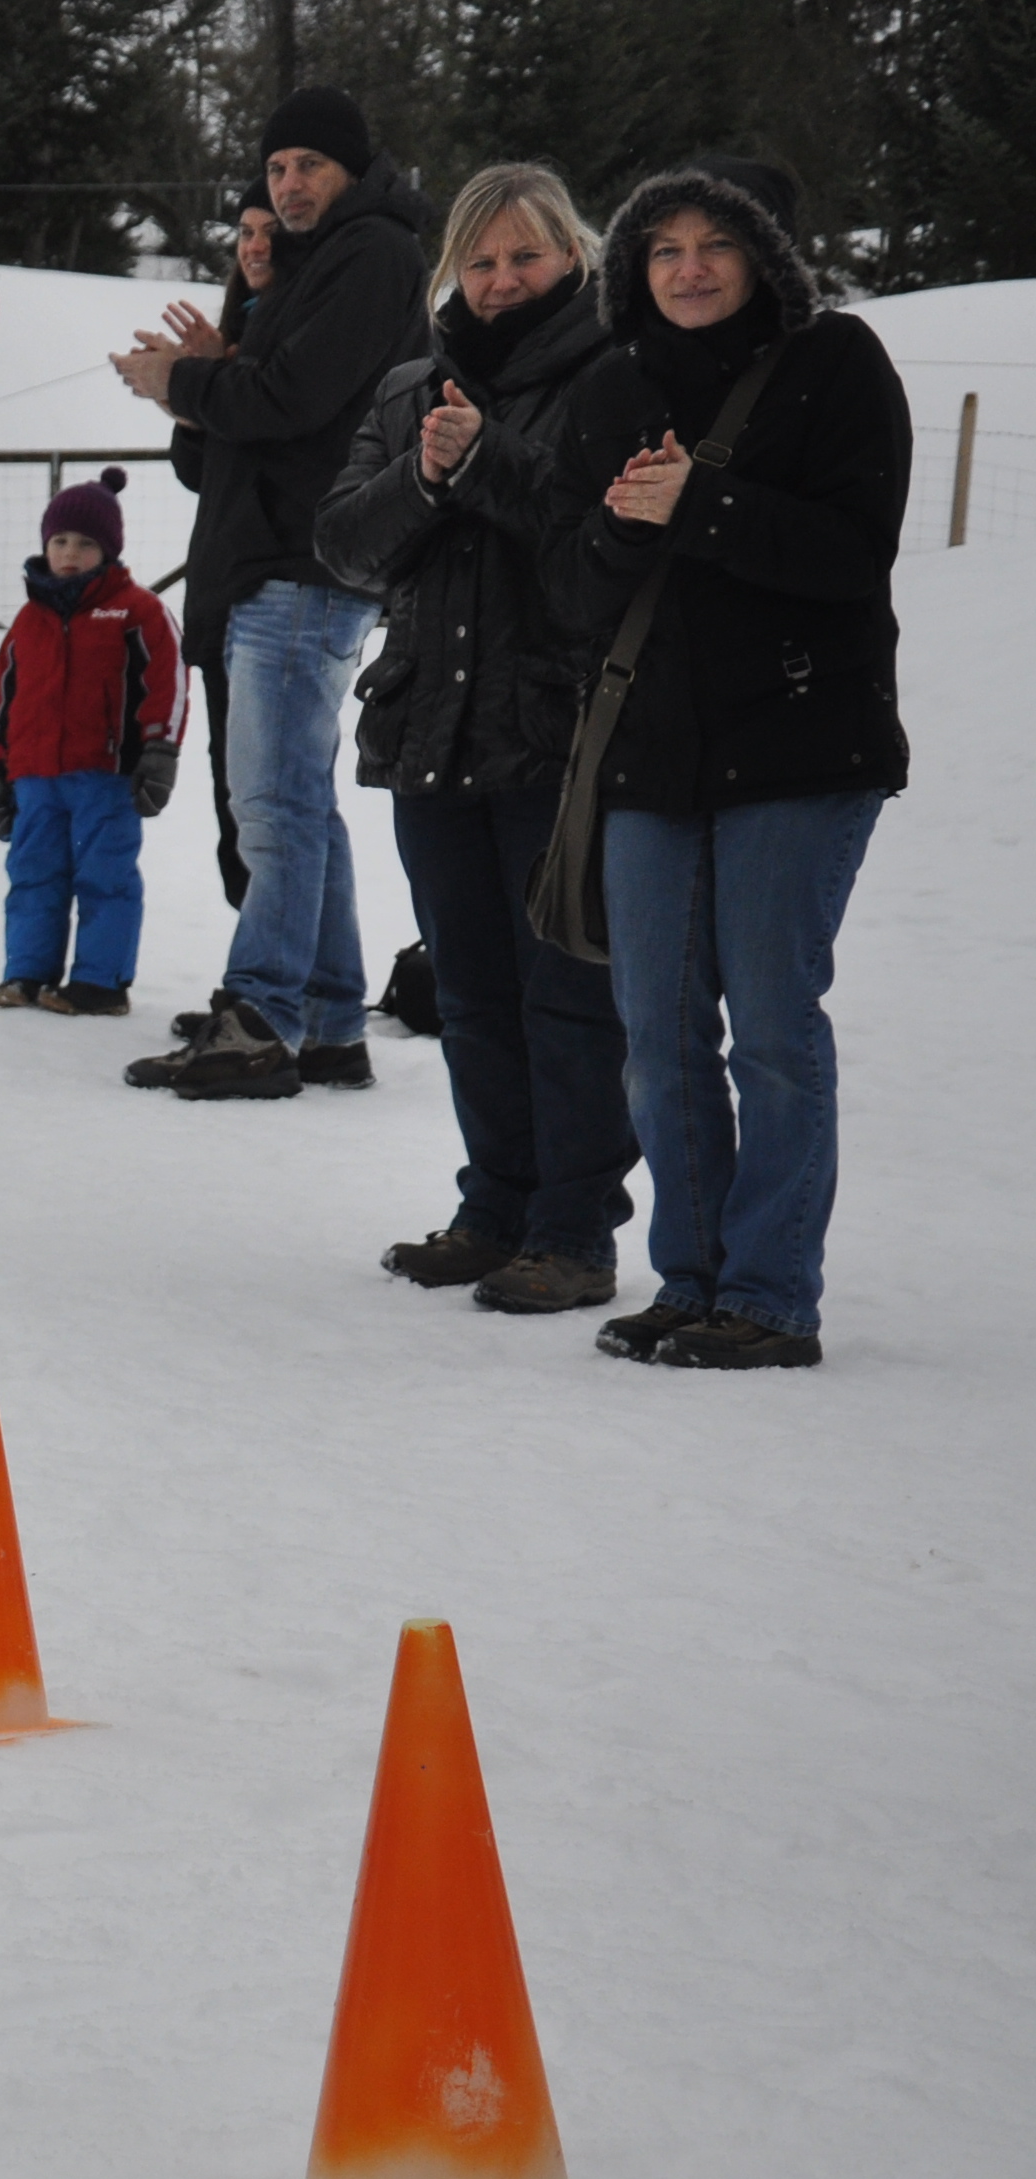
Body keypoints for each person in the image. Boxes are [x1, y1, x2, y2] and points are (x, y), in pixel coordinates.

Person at [554, 162, 907, 1371]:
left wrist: (699, 503)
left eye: (715, 244)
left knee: (767, 1027)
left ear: (764, 256)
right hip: (651, 755)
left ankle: (767, 1295)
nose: (689, 268)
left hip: (801, 745)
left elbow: (852, 553)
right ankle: (689, 1279)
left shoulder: (835, 363)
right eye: (663, 248)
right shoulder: (610, 385)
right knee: (655, 1035)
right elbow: (570, 589)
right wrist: (619, 525)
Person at [316, 163, 632, 1316]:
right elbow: (341, 544)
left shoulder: (614, 374)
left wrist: (488, 460)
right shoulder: (411, 386)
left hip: (555, 735)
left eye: (524, 257)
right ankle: (494, 1208)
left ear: (572, 257)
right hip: (429, 733)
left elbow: (602, 547)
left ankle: (573, 1232)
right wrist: (424, 472)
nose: (500, 281)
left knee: (567, 996)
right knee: (471, 995)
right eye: (481, 260)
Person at [112, 89, 427, 1101]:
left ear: (351, 169)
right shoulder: (316, 262)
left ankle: (259, 1017)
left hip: (303, 567)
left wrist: (184, 383)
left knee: (274, 805)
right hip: (275, 564)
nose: (288, 185)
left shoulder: (371, 254)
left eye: (308, 165)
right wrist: (203, 387)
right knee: (296, 802)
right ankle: (327, 1023)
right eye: (276, 166)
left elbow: (291, 399)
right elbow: (236, 444)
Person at [0, 470, 182, 1017]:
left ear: (109, 550)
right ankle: (27, 971)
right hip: (35, 776)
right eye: (60, 540)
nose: (70, 553)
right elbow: (2, 697)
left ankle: (100, 982)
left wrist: (159, 751)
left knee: (105, 877)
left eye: (86, 543)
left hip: (105, 777)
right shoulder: (28, 621)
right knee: (33, 874)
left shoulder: (136, 610)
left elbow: (167, 683)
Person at [166, 188, 278, 911]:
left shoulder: (302, 340)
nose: (255, 246)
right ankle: (254, 952)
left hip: (275, 594)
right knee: (232, 796)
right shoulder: (240, 326)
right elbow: (198, 471)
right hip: (220, 594)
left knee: (272, 801)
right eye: (244, 231)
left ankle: (281, 962)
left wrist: (216, 382)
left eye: (271, 232)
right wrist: (192, 400)